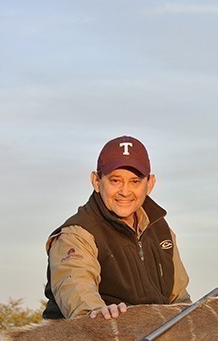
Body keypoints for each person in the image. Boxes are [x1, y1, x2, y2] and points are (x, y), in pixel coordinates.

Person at [43, 135, 190, 320]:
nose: (125, 191)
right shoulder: (76, 234)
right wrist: (94, 312)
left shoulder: (161, 230)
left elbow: (180, 298)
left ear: (150, 184)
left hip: (152, 338)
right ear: (96, 181)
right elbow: (77, 290)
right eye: (115, 180)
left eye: (134, 181)